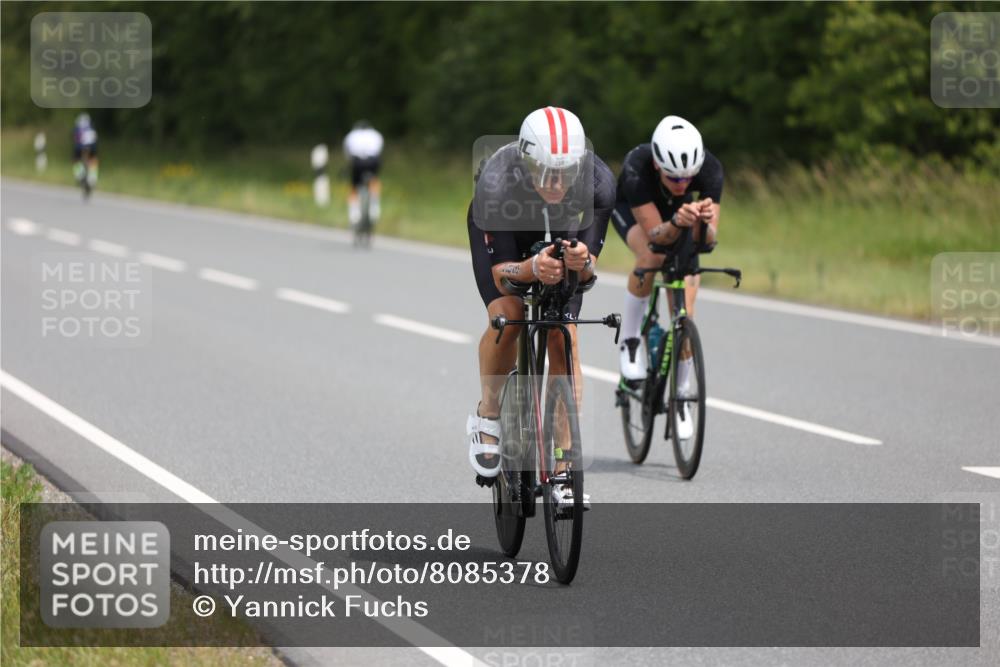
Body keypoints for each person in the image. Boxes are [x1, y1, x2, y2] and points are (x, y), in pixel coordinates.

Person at [466, 106, 615, 508]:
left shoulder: (598, 183)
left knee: (563, 336)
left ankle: (564, 464)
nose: (555, 183)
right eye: (546, 172)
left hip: (560, 232)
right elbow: (502, 273)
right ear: (526, 161)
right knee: (510, 315)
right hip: (505, 233)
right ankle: (488, 415)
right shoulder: (497, 181)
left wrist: (582, 261)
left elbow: (589, 268)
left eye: (564, 173)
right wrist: (532, 267)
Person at [610, 115, 723, 437]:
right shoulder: (637, 168)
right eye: (674, 178)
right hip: (634, 210)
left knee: (685, 307)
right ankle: (630, 340)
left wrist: (701, 222)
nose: (682, 184)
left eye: (688, 178)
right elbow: (657, 235)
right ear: (659, 166)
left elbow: (708, 243)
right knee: (652, 255)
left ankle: (684, 395)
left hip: (680, 214)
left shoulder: (711, 171)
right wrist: (676, 222)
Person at [342, 120, 384, 227]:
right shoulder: (376, 134)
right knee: (374, 180)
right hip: (373, 161)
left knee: (354, 186)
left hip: (357, 163)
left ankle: (354, 211)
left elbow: (347, 153)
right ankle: (375, 205)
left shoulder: (351, 135)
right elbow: (379, 151)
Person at [72, 113, 99, 188]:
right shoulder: (91, 126)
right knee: (93, 159)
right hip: (92, 147)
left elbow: (75, 138)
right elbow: (96, 138)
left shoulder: (77, 126)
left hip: (79, 147)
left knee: (76, 159)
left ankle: (79, 175)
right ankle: (93, 177)